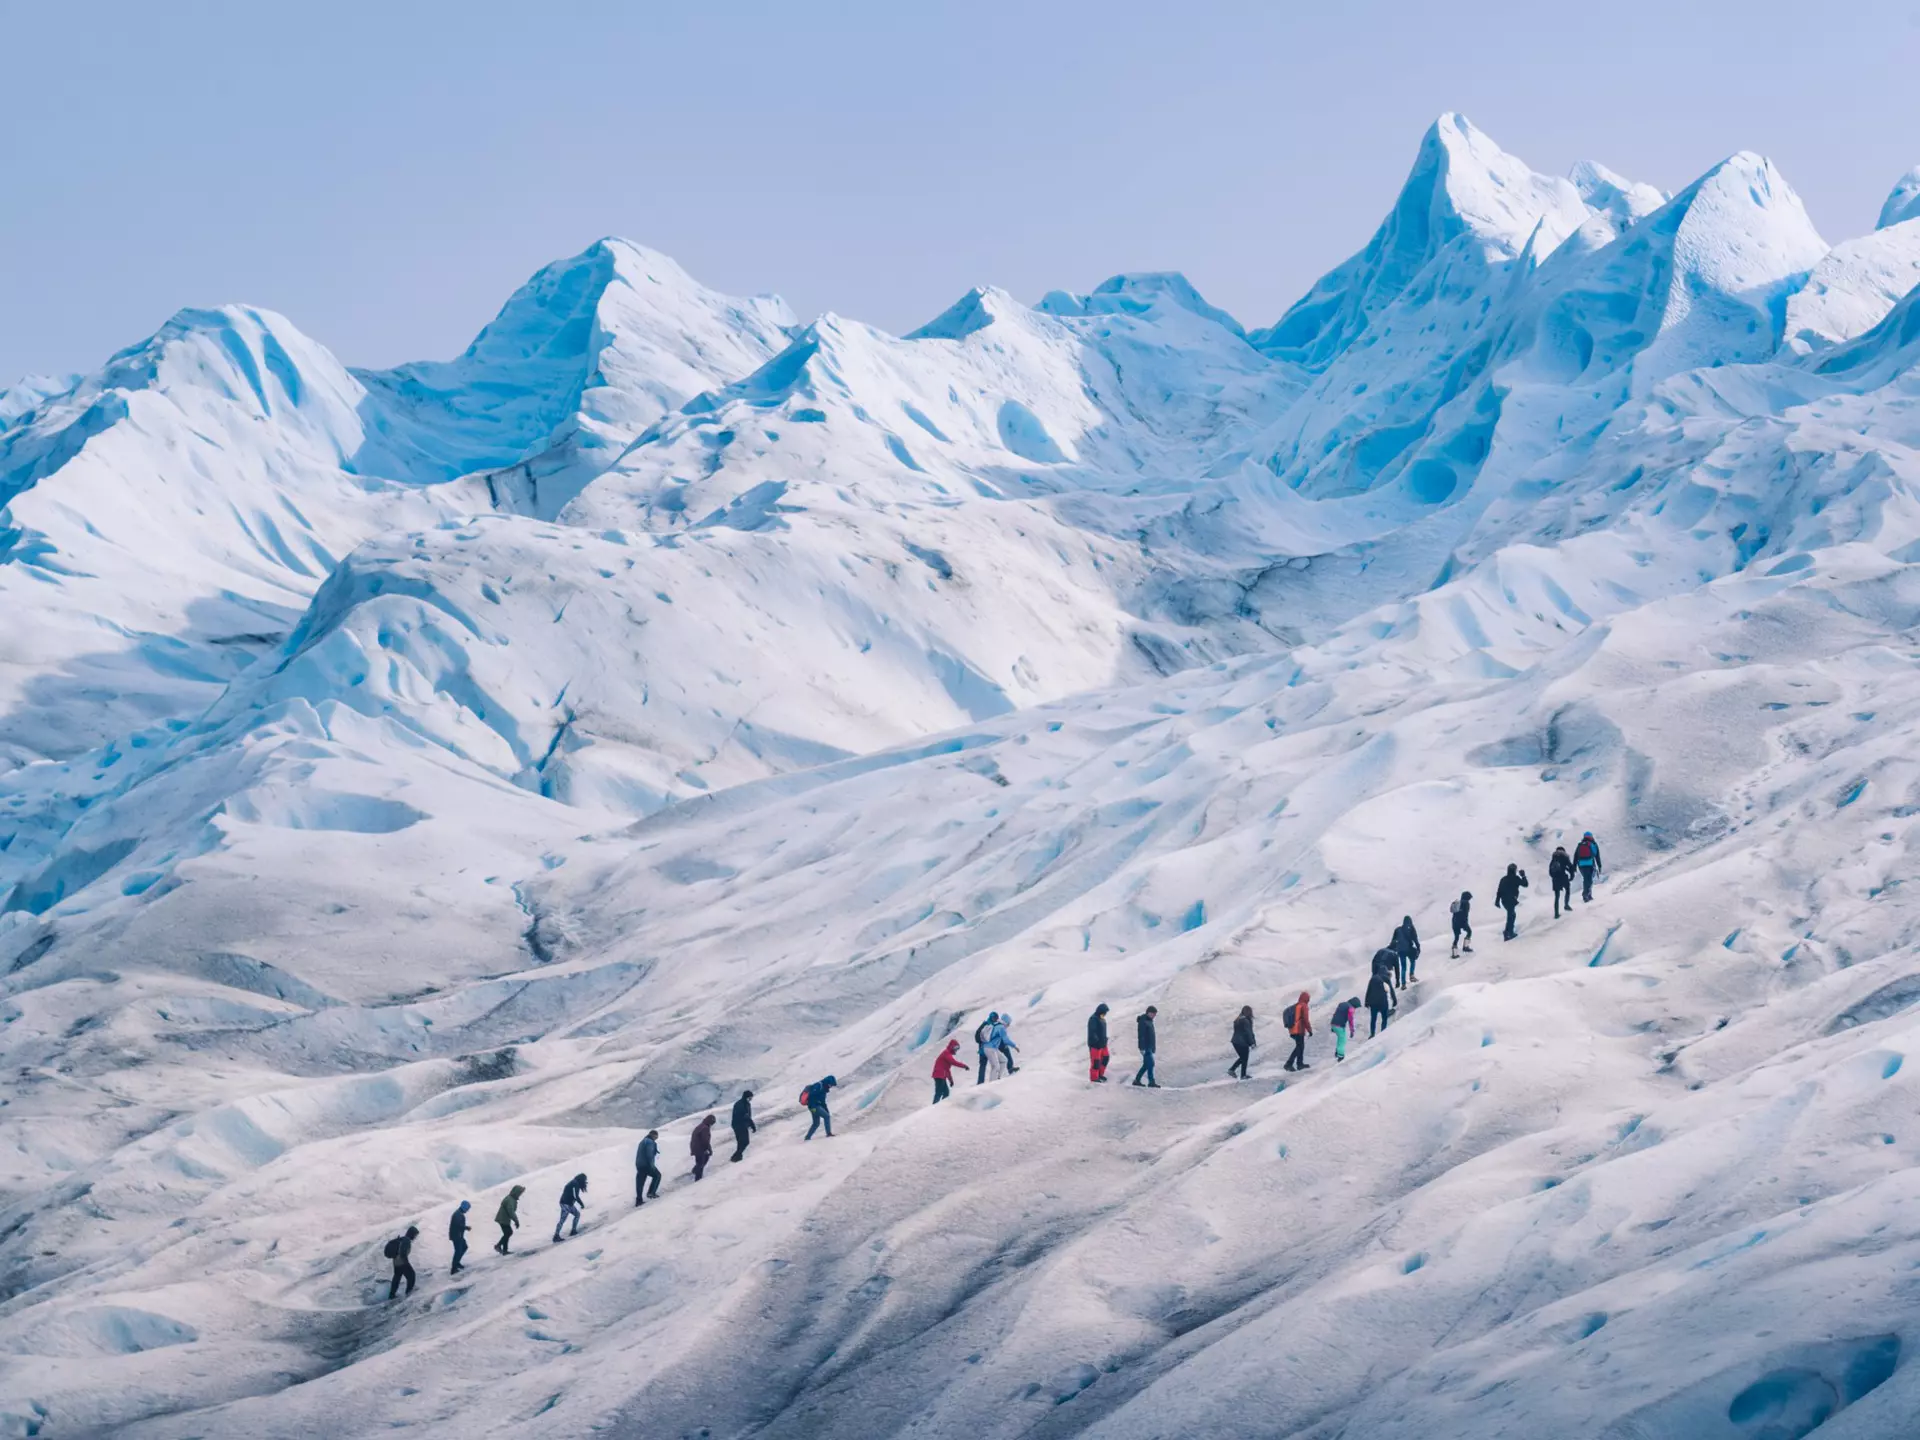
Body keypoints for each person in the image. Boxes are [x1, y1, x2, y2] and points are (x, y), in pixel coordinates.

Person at [385, 1224, 419, 1299]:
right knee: (411, 1275)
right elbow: (403, 1253)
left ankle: (392, 1295)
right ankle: (409, 1292)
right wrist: (406, 1262)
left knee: (397, 1277)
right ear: (412, 1234)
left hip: (396, 1262)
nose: (415, 1237)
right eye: (415, 1235)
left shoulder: (402, 1239)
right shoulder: (407, 1240)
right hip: (402, 1262)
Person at [1496, 863, 1529, 941]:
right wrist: (1523, 876)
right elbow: (1525, 884)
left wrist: (1497, 901)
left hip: (1504, 900)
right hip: (1511, 899)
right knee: (1511, 915)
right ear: (1514, 870)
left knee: (1511, 914)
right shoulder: (1516, 878)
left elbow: (1499, 891)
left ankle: (1507, 931)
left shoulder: (1503, 879)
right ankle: (1509, 933)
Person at [1283, 991, 1313, 1071]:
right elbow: (1306, 1020)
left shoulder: (1297, 1005)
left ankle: (1300, 1064)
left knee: (1300, 1046)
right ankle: (1288, 1064)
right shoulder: (1304, 1006)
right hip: (1299, 1029)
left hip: (1292, 1029)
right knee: (1299, 1047)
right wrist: (1309, 1030)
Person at [931, 1037, 968, 1102]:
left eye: (957, 1048)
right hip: (939, 1075)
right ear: (951, 1047)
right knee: (939, 1092)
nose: (956, 1050)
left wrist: (951, 1080)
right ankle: (934, 1108)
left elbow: (947, 1070)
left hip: (941, 1075)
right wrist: (964, 1066)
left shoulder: (948, 1054)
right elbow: (953, 1062)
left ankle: (939, 1107)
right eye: (955, 1048)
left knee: (946, 1093)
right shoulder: (946, 1053)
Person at [554, 1173, 588, 1241]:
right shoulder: (575, 1183)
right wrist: (581, 1204)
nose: (585, 1182)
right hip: (565, 1204)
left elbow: (574, 1195)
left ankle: (573, 1230)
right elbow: (575, 1196)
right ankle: (556, 1236)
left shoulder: (574, 1182)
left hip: (568, 1203)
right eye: (584, 1180)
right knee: (562, 1220)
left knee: (577, 1214)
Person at [493, 1184, 524, 1254]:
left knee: (507, 1233)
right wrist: (516, 1221)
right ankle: (498, 1246)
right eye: (520, 1193)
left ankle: (504, 1250)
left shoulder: (511, 1199)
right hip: (503, 1219)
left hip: (504, 1219)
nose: (520, 1195)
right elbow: (511, 1211)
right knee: (508, 1232)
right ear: (516, 1192)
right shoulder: (510, 1200)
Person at [1133, 1006, 1160, 1087]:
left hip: (1149, 1047)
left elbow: (1152, 1036)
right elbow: (1141, 1036)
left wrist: (1153, 1048)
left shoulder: (1150, 1021)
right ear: (1148, 1012)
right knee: (1151, 1064)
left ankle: (1137, 1080)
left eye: (1155, 1014)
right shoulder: (1143, 1021)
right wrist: (1142, 1048)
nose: (1154, 1016)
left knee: (1146, 1065)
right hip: (1145, 1047)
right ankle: (1151, 1082)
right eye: (1153, 1014)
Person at [1574, 831, 1603, 902]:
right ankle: (1586, 895)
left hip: (1581, 865)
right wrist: (1599, 866)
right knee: (1589, 880)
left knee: (1586, 879)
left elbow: (1575, 856)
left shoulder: (1580, 845)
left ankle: (1587, 895)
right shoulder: (1593, 844)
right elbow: (1597, 856)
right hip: (1590, 864)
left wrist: (1574, 866)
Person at [1229, 1005, 1256, 1079]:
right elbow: (1248, 1033)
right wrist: (1252, 1043)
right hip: (1242, 1043)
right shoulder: (1246, 1021)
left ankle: (1233, 1070)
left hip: (1235, 1041)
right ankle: (1241, 1074)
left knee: (1242, 1058)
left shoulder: (1237, 1019)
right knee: (1244, 1058)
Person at [1393, 915, 1421, 985]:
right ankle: (1411, 975)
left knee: (1403, 967)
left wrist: (1394, 951)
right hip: (1408, 949)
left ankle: (1403, 983)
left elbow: (1393, 941)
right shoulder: (1411, 928)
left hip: (1400, 951)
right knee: (1413, 961)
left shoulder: (1398, 930)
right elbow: (1415, 939)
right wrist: (1418, 948)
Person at [1370, 946, 1400, 1011]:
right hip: (1383, 970)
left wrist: (1374, 973)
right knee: (1386, 988)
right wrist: (1398, 981)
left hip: (1375, 968)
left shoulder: (1381, 950)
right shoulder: (1394, 954)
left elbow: (1374, 961)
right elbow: (1397, 969)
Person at [635, 1131, 662, 1205]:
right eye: (656, 1136)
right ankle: (651, 1193)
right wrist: (652, 1165)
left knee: (640, 1182)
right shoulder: (650, 1142)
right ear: (653, 1135)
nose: (657, 1138)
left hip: (639, 1164)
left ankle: (639, 1200)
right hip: (646, 1164)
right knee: (657, 1175)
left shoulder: (643, 1141)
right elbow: (649, 1154)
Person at [1087, 1003, 1111, 1082]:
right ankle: (1094, 1078)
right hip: (1095, 1045)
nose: (1105, 1014)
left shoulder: (1102, 1019)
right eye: (1105, 1012)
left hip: (1103, 1044)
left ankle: (1100, 1074)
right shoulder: (1093, 1019)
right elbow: (1092, 1032)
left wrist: (1105, 1039)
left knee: (1105, 1058)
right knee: (1096, 1062)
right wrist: (1096, 1041)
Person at [730, 1090, 756, 1162]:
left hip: (741, 1125)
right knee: (745, 1141)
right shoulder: (740, 1105)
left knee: (741, 1142)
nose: (751, 1099)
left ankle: (738, 1156)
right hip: (739, 1125)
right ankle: (736, 1156)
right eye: (750, 1097)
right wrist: (752, 1125)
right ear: (747, 1097)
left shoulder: (745, 1104)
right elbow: (746, 1116)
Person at [1330, 996, 1360, 1061]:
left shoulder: (1342, 1004)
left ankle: (1337, 1052)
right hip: (1339, 1026)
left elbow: (1335, 1014)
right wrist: (1352, 1031)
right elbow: (1350, 1020)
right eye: (1356, 1007)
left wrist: (1333, 1026)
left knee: (1340, 1039)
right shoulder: (1350, 1008)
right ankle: (1340, 1056)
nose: (1355, 1008)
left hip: (1333, 1024)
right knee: (1342, 1041)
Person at [1365, 971, 1393, 1036]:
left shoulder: (1373, 979)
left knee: (1373, 1019)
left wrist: (1366, 1002)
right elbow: (1390, 992)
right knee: (1384, 1018)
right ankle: (1382, 1033)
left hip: (1373, 1003)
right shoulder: (1386, 979)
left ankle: (1372, 1034)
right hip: (1382, 1002)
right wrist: (1394, 1001)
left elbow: (1368, 990)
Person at [1549, 846, 1574, 918]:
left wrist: (1554, 877)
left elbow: (1550, 871)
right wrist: (1571, 876)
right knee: (1567, 890)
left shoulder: (1553, 857)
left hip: (1555, 878)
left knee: (1557, 896)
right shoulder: (1565, 856)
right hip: (1563, 877)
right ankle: (1566, 905)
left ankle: (1556, 914)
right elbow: (1570, 867)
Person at [447, 1200, 471, 1275]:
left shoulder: (459, 1213)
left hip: (458, 1235)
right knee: (458, 1251)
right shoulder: (458, 1214)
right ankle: (453, 1269)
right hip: (456, 1236)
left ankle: (457, 1263)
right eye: (467, 1209)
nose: (467, 1210)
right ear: (464, 1207)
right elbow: (458, 1225)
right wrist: (466, 1228)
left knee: (464, 1247)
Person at [974, 1012, 998, 1085]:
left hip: (986, 1048)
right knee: (986, 1064)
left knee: (985, 1064)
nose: (995, 1020)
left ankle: (981, 1081)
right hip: (984, 1048)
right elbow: (978, 1036)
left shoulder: (990, 1025)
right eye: (994, 1018)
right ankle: (983, 1081)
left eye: (996, 1018)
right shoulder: (986, 1025)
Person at [690, 1116, 715, 1181]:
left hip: (695, 1147)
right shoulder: (705, 1128)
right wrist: (709, 1149)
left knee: (701, 1161)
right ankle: (698, 1179)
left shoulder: (701, 1126)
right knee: (701, 1163)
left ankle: (695, 1171)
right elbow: (705, 1140)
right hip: (699, 1148)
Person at [1450, 891, 1474, 957]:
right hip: (1462, 922)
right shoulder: (1466, 903)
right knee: (1469, 932)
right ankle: (1465, 947)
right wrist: (1465, 923)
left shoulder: (1457, 903)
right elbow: (1465, 914)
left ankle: (1454, 953)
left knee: (1456, 937)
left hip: (1454, 922)